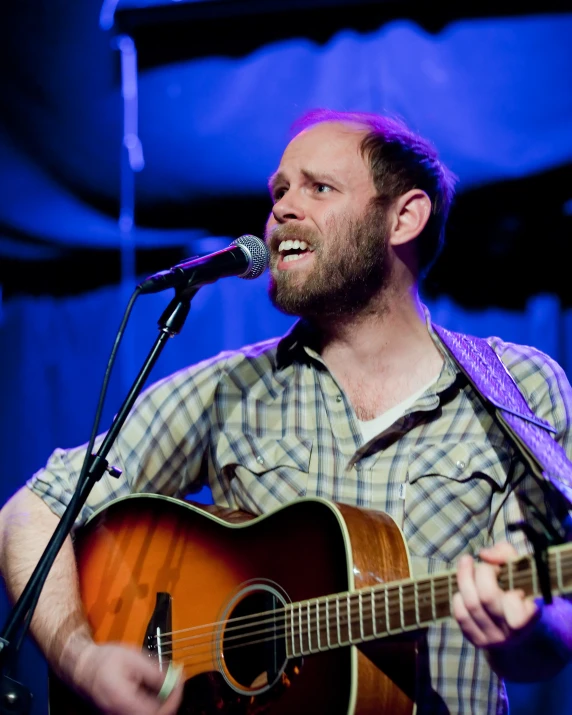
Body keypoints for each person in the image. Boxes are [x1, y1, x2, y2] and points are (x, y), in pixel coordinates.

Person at [1, 109, 572, 715]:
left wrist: (524, 628)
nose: (281, 209)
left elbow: (549, 636)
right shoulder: (231, 388)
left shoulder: (519, 386)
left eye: (318, 188)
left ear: (404, 216)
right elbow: (32, 513)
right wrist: (84, 662)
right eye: (279, 191)